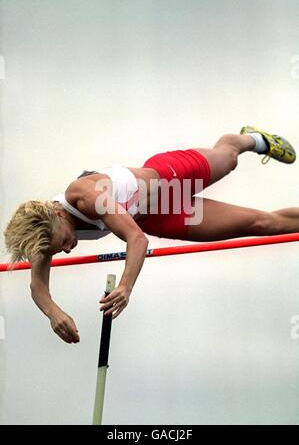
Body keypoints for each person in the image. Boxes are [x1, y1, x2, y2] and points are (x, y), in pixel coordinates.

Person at [4, 126, 298, 344]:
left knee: (229, 157)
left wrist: (125, 287)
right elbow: (37, 286)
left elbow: (136, 240)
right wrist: (54, 313)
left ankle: (247, 139)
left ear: (57, 214)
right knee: (259, 224)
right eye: (59, 251)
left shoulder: (85, 196)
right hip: (160, 215)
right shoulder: (43, 238)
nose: (67, 250)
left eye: (63, 241)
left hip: (169, 178)